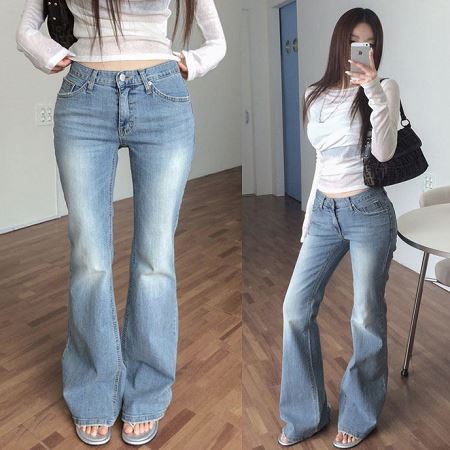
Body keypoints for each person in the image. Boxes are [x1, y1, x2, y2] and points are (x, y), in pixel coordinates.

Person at [16, 0, 226, 446]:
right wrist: (47, 53)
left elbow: (217, 41)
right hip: (84, 98)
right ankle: (94, 389)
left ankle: (146, 391)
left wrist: (191, 63)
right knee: (89, 258)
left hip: (162, 98)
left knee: (155, 259)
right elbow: (27, 27)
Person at [277, 8, 399, 449]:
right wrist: (310, 215)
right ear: (339, 43)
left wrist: (373, 90)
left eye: (369, 44)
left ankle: (359, 414)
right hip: (325, 211)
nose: (361, 50)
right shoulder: (315, 94)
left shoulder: (383, 89)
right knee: (295, 308)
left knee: (365, 316)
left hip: (368, 210)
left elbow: (383, 154)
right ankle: (307, 414)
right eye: (354, 42)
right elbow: (322, 160)